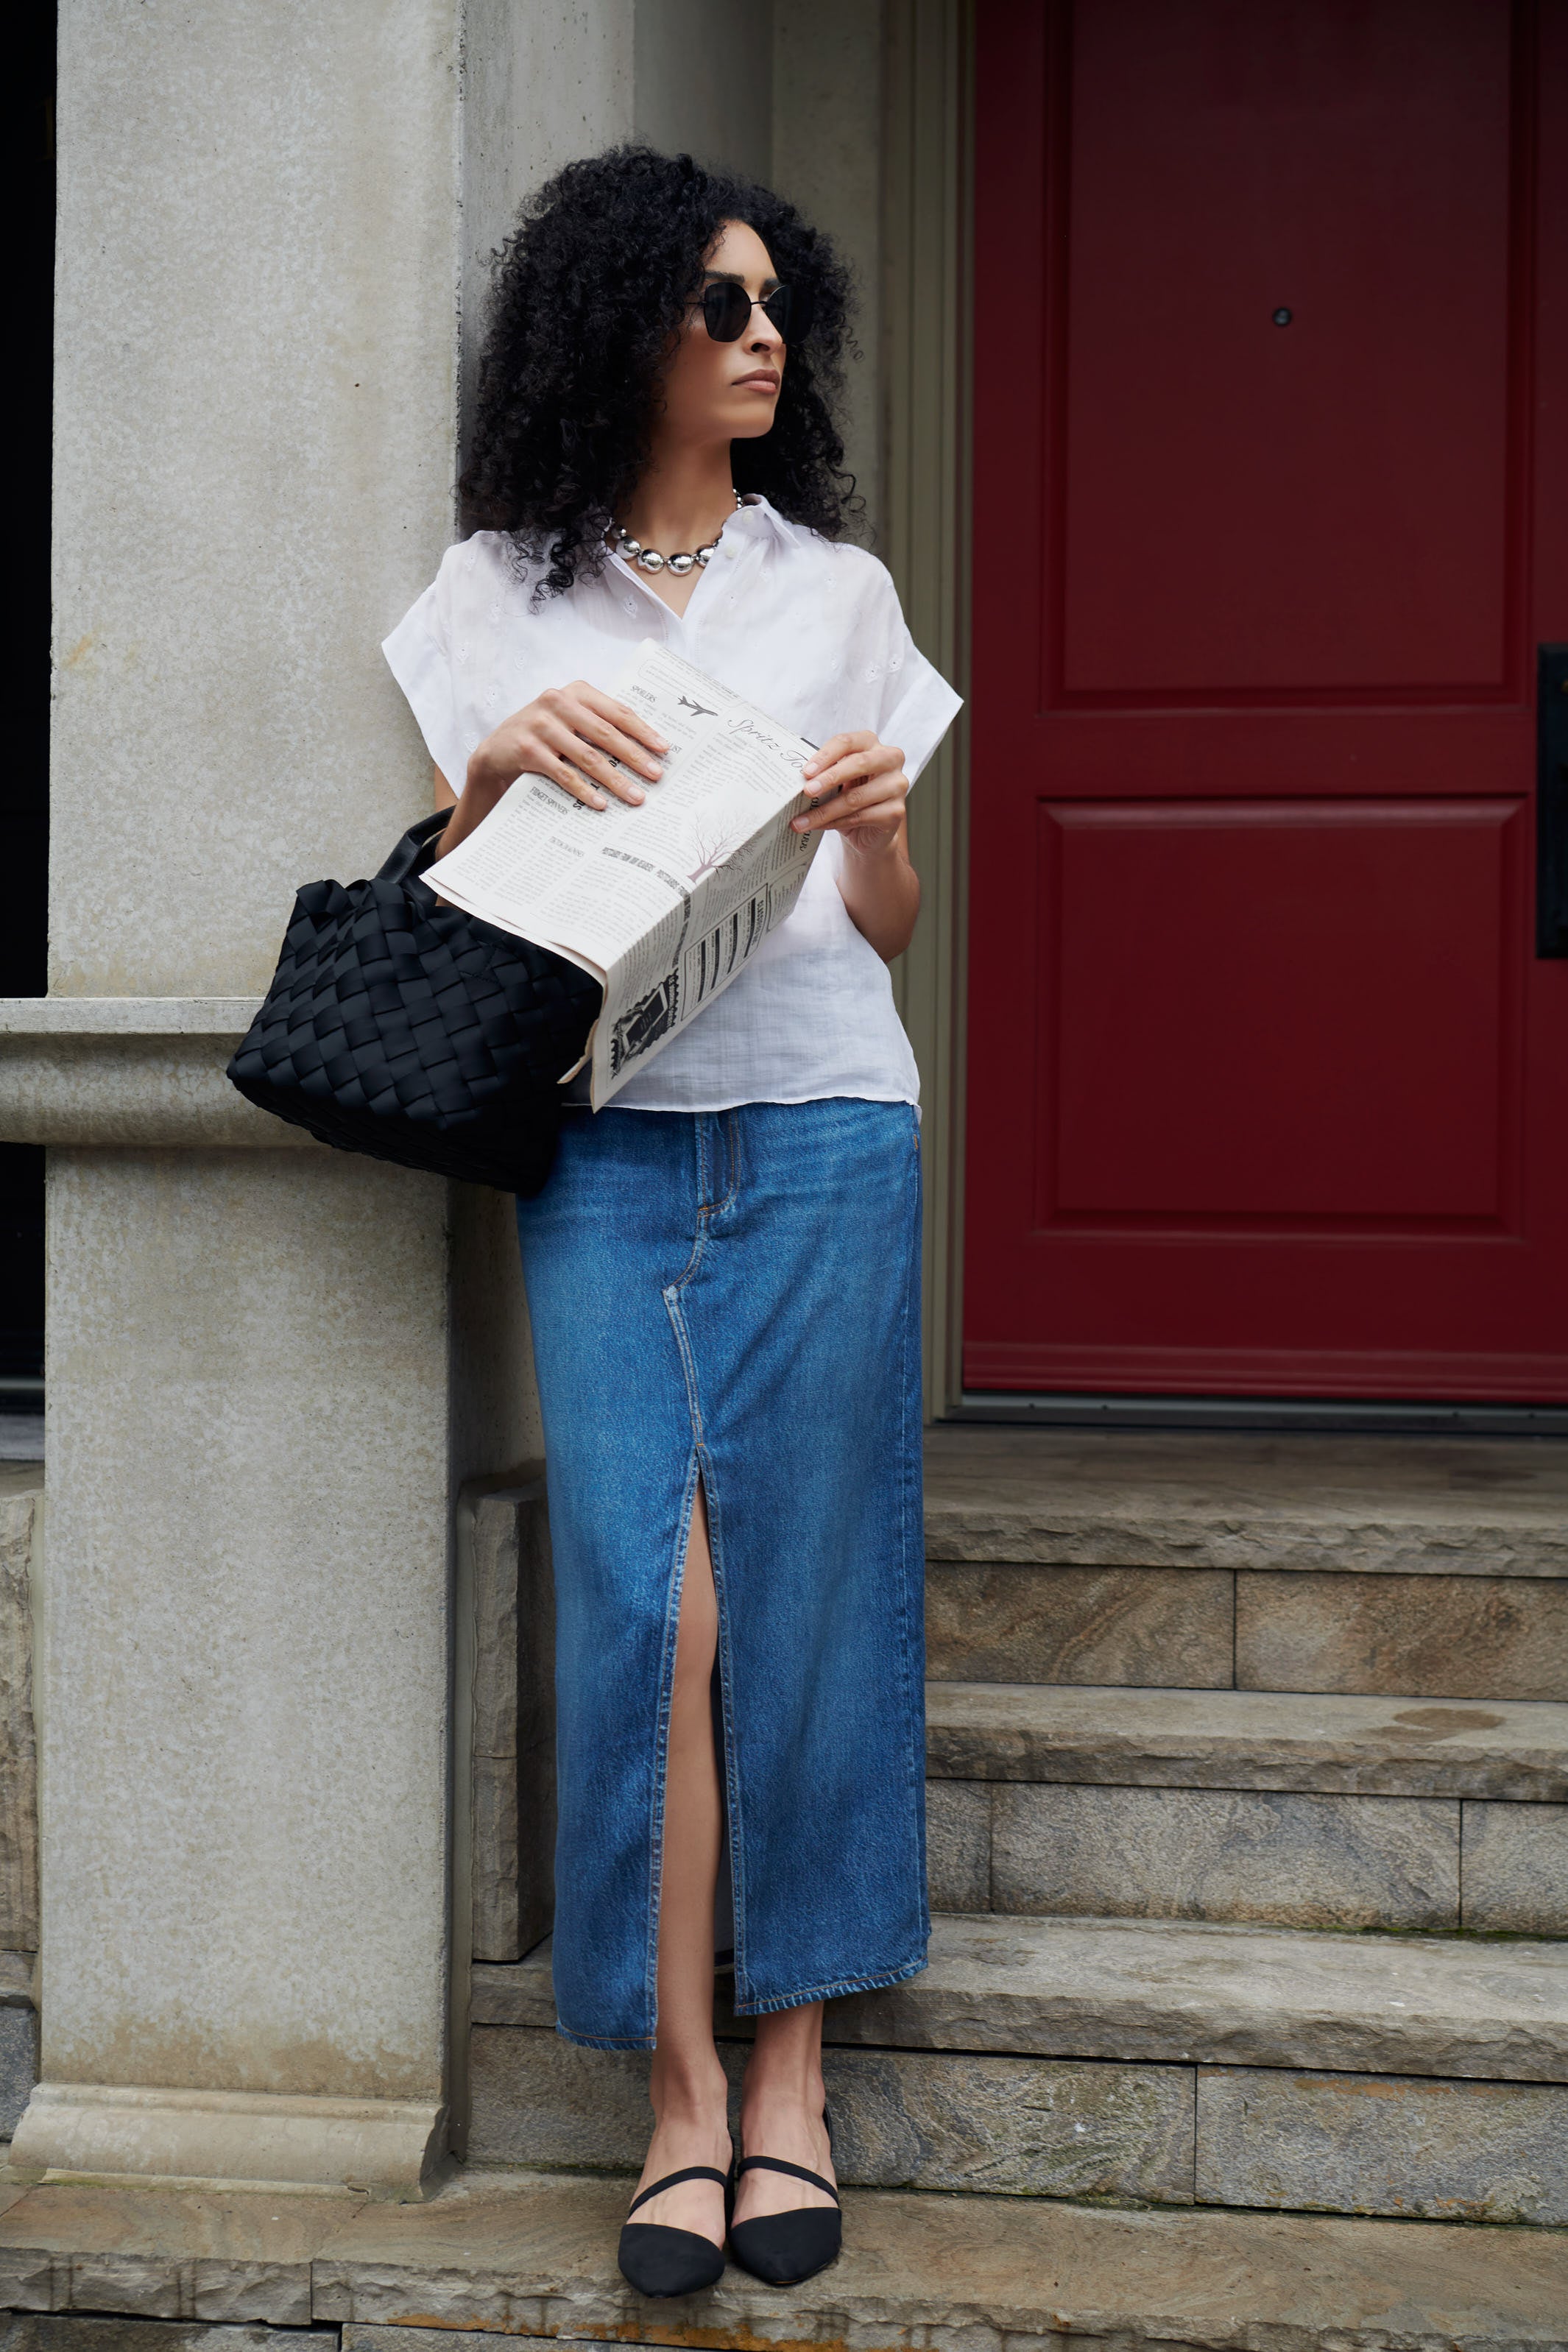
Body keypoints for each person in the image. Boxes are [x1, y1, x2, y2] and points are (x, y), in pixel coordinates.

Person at [384, 145, 961, 2298]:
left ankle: (789, 2073)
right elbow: (457, 925)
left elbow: (878, 933)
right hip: (604, 1138)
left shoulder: (841, 592)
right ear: (618, 324)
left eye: (770, 305)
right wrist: (487, 780)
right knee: (656, 1610)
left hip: (821, 1117)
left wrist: (882, 826)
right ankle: (674, 2097)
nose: (758, 336)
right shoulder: (489, 600)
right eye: (715, 305)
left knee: (803, 1596)